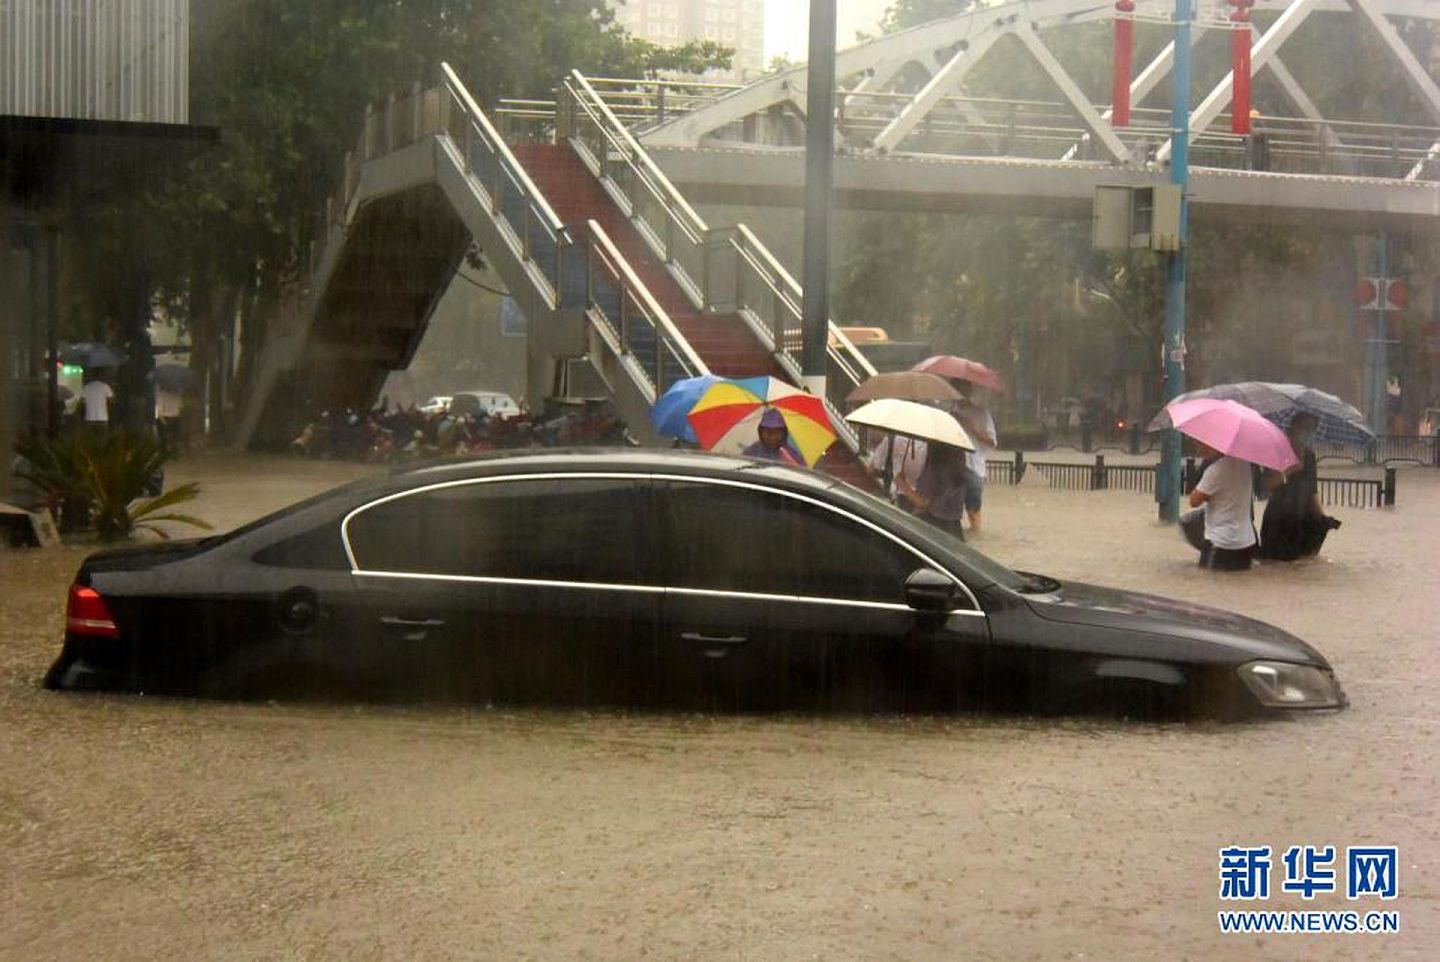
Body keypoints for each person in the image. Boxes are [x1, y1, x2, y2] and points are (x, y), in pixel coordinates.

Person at [1257, 413, 1340, 561]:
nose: (1307, 434)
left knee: (1301, 564)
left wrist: (1321, 517)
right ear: (1292, 429)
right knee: (1275, 565)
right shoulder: (1277, 452)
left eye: (1311, 430)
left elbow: (1312, 491)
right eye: (1304, 429)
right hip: (1279, 519)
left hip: (1303, 519)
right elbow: (1265, 487)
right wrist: (1289, 470)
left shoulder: (1309, 456)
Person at [1187, 442, 1257, 571]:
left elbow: (1194, 501)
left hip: (1220, 543)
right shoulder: (1244, 464)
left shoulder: (1215, 470)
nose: (1197, 446)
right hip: (1246, 543)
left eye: (1201, 442)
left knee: (1208, 586)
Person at [947, 379, 996, 535]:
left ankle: (976, 534)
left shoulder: (981, 413)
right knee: (950, 509)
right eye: (957, 389)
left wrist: (973, 428)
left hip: (974, 466)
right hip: (951, 465)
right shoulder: (948, 413)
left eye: (964, 388)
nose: (961, 393)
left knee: (973, 508)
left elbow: (992, 442)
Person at [897, 442, 968, 540]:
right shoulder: (960, 468)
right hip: (955, 528)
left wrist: (902, 484)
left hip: (933, 527)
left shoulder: (935, 466)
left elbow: (923, 503)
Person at [865, 433, 926, 500]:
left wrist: (890, 475)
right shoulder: (930, 445)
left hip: (900, 496)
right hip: (928, 497)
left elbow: (871, 470)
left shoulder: (892, 439)